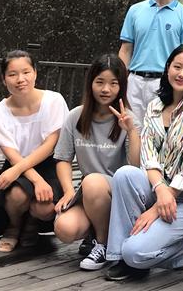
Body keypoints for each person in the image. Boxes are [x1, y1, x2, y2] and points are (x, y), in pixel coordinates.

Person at [104, 44, 183, 281]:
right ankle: (119, 256)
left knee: (135, 253)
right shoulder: (155, 106)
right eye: (177, 67)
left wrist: (155, 209)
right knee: (124, 174)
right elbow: (148, 155)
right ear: (168, 68)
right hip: (160, 188)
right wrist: (160, 190)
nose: (182, 74)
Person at [53, 54, 142, 270]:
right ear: (90, 82)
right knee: (64, 228)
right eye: (100, 82)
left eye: (113, 83)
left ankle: (103, 244)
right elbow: (63, 158)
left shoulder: (129, 119)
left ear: (122, 87)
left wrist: (131, 131)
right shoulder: (76, 116)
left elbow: (136, 167)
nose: (106, 89)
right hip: (89, 193)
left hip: (119, 193)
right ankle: (96, 233)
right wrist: (68, 190)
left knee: (92, 182)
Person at [0, 50, 69, 252]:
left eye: (26, 72)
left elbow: (50, 145)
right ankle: (14, 226)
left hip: (47, 164)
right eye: (12, 74)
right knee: (17, 195)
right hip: (16, 163)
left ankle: (31, 224)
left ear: (35, 73)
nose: (20, 79)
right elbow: (12, 155)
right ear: (3, 79)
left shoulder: (54, 101)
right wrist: (34, 179)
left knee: (45, 207)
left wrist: (26, 174)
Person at [119, 0, 183, 123]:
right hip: (134, 81)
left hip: (165, 81)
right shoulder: (135, 10)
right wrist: (120, 79)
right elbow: (126, 49)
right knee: (130, 129)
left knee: (159, 129)